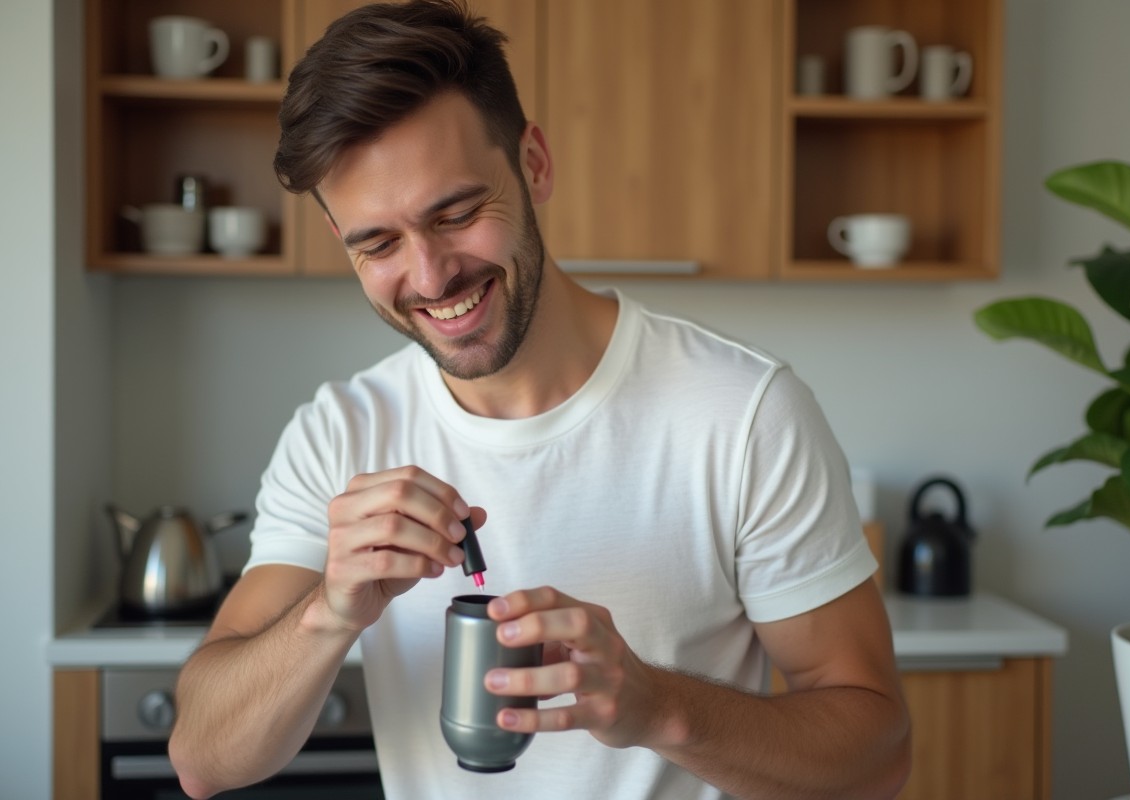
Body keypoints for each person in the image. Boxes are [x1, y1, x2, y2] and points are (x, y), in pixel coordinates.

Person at [167, 2, 911, 799]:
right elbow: (204, 760)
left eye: (455, 213)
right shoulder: (341, 434)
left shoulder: (743, 414)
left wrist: (658, 709)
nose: (429, 276)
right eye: (378, 244)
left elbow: (877, 759)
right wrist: (329, 613)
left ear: (535, 164)